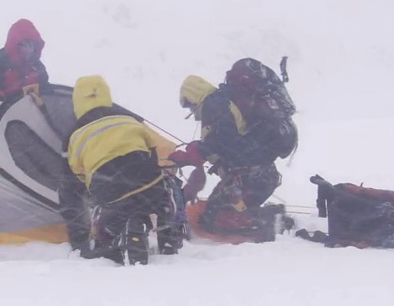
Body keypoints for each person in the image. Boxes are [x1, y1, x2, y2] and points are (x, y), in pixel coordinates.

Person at [59, 75, 182, 265]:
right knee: (159, 195)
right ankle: (166, 232)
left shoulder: (74, 135)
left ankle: (120, 236)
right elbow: (153, 153)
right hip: (149, 184)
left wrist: (78, 239)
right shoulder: (129, 120)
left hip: (110, 189)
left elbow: (72, 184)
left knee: (106, 227)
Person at [168, 61, 298, 239]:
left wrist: (196, 151)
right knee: (212, 212)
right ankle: (269, 217)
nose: (192, 111)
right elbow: (231, 143)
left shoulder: (215, 104)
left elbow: (225, 142)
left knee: (216, 219)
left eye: (190, 105)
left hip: (250, 177)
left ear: (194, 96)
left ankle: (268, 225)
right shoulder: (224, 102)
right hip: (259, 175)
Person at [0, 18, 49, 100]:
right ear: (15, 44)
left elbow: (46, 93)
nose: (29, 50)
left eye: (32, 45)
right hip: (0, 110)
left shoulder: (38, 68)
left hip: (29, 111)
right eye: (25, 45)